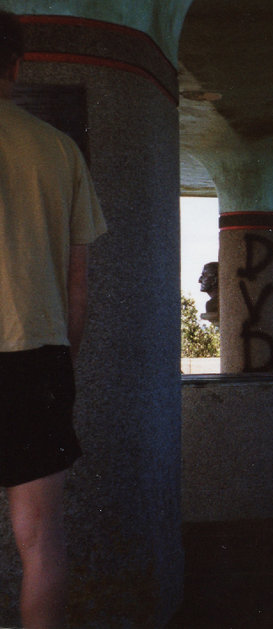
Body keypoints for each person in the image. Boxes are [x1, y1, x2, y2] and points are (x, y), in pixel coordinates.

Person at [0, 11, 107, 629]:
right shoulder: (58, 149)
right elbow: (78, 286)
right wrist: (61, 363)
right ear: (15, 65)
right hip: (37, 358)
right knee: (41, 543)